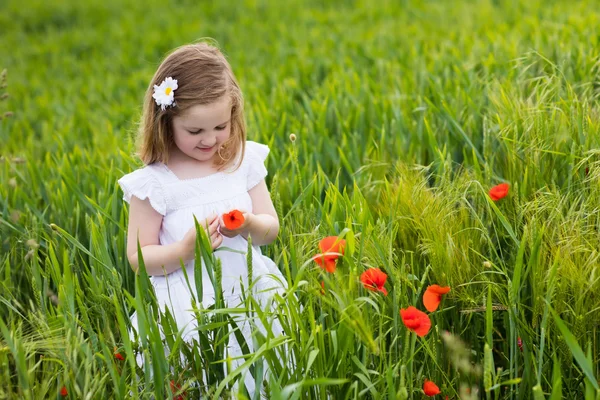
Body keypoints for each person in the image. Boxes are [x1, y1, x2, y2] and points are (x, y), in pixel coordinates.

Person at [117, 41, 287, 397]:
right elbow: (138, 257)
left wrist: (250, 225)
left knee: (266, 374)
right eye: (195, 132)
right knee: (202, 382)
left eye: (220, 127)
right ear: (166, 121)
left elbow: (270, 228)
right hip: (190, 307)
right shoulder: (155, 183)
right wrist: (186, 250)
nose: (210, 140)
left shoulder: (242, 161)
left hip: (251, 293)